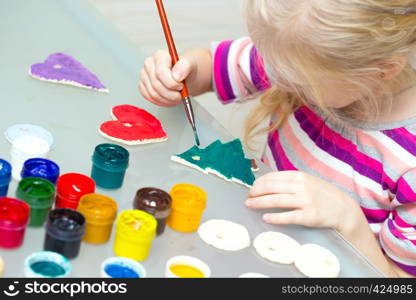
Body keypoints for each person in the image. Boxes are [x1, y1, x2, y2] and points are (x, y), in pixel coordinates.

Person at [138, 0, 416, 277]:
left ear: (384, 69)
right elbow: (210, 68)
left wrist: (349, 221)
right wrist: (180, 76)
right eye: (272, 65)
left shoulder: (409, 164)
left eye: (297, 80)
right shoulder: (297, 53)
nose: (276, 78)